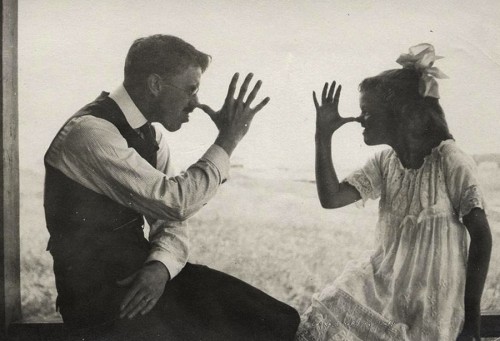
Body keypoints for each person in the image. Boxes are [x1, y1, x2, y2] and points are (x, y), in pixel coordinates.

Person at [44, 34, 299, 340]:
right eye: (191, 89)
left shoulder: (151, 137)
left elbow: (172, 218)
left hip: (147, 282)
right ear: (155, 84)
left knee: (279, 319)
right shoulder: (90, 133)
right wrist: (228, 139)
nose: (196, 103)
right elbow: (174, 201)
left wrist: (161, 267)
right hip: (100, 302)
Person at [296, 44, 492, 340]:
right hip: (385, 287)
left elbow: (482, 236)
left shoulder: (450, 160)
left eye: (368, 112)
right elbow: (331, 198)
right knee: (327, 315)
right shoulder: (384, 163)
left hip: (431, 301)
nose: (359, 120)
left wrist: (472, 318)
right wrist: (323, 136)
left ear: (401, 115)